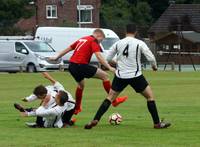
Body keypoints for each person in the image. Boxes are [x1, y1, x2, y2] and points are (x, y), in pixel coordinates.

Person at [84, 24, 171, 129]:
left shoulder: (118, 43)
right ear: (136, 32)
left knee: (110, 98)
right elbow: (151, 57)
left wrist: (117, 63)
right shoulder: (139, 43)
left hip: (120, 75)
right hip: (135, 76)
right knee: (150, 97)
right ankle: (157, 123)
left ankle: (95, 119)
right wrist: (154, 66)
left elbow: (107, 58)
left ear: (125, 32)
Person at [49, 29, 127, 115]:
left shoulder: (82, 39)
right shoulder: (93, 41)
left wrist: (56, 57)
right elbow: (99, 56)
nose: (101, 42)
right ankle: (114, 101)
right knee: (105, 76)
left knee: (81, 85)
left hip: (72, 66)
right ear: (98, 36)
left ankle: (77, 108)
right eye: (102, 39)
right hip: (81, 65)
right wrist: (109, 67)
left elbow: (68, 48)